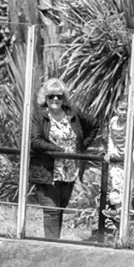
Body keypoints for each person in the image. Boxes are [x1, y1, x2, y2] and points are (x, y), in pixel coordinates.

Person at [28, 78, 98, 239]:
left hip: (69, 172)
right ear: (45, 98)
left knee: (59, 210)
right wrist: (60, 150)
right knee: (51, 211)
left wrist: (81, 147)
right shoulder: (39, 116)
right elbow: (35, 141)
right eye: (51, 96)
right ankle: (51, 246)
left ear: (63, 98)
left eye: (59, 96)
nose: (55, 99)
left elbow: (94, 125)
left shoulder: (73, 113)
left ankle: (55, 247)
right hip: (46, 171)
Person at [105, 98, 134, 212]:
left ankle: (127, 211)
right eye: (121, 109)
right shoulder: (113, 122)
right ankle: (118, 209)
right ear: (115, 109)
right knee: (116, 182)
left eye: (126, 110)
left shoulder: (132, 124)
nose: (123, 112)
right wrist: (110, 152)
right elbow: (111, 138)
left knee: (127, 186)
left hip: (130, 160)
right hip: (118, 158)